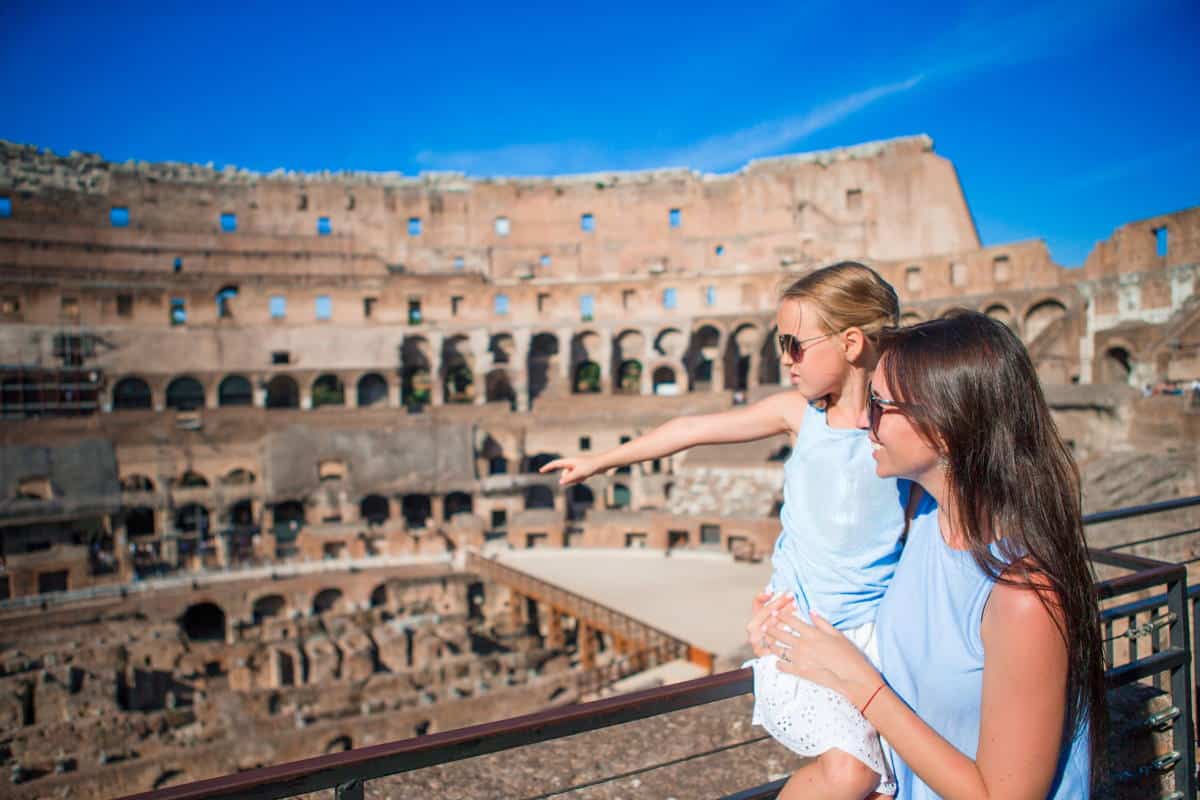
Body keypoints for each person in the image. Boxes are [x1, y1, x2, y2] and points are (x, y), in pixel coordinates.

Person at [542, 261, 911, 798]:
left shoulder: (904, 428)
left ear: (852, 342)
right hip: (801, 631)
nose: (783, 359)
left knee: (886, 786)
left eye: (794, 344)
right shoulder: (797, 415)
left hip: (881, 635)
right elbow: (692, 429)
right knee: (854, 772)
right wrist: (601, 461)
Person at [761, 311, 1106, 799]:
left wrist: (861, 684)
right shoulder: (923, 519)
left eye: (878, 404)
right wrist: (780, 626)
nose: (862, 420)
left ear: (943, 426)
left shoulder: (1024, 596)